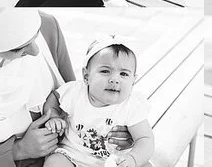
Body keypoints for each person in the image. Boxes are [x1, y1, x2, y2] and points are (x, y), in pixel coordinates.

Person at [0, 4, 133, 167]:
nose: (36, 51)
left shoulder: (46, 25)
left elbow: (80, 97)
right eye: (18, 48)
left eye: (35, 35)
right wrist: (18, 150)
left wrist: (115, 131)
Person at [41, 35, 154, 167]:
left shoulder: (131, 105)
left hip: (117, 162)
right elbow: (55, 97)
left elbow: (145, 139)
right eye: (105, 71)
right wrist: (53, 115)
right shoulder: (76, 92)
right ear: (86, 76)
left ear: (133, 81)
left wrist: (133, 159)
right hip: (73, 157)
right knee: (54, 162)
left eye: (123, 74)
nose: (114, 79)